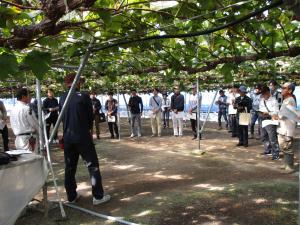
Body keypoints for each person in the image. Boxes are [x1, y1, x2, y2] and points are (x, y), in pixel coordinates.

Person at [59, 73, 110, 205]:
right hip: (82, 136)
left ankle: (71, 197)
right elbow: (90, 116)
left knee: (70, 168)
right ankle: (98, 197)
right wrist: (86, 127)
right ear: (77, 83)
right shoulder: (84, 96)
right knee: (92, 166)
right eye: (80, 82)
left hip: (68, 137)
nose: (81, 84)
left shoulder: (62, 97)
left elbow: (62, 117)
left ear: (67, 83)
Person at [275, 82, 299, 171]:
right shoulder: (285, 100)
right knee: (283, 146)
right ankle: (286, 163)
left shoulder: (290, 100)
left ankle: (289, 166)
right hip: (282, 127)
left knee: (288, 147)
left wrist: (274, 116)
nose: (282, 89)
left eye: (284, 88)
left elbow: (284, 115)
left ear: (290, 90)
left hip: (287, 129)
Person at [258, 86, 280, 160]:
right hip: (262, 119)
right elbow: (260, 108)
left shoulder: (274, 100)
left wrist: (268, 113)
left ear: (268, 92)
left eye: (263, 93)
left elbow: (276, 111)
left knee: (272, 138)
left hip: (270, 120)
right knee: (263, 136)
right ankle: (268, 150)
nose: (262, 95)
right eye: (262, 94)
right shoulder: (262, 100)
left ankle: (276, 153)